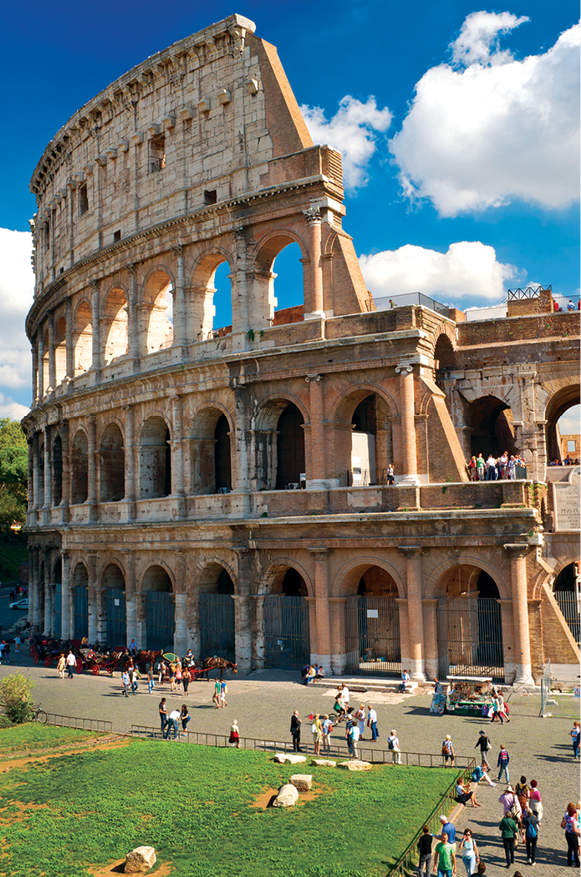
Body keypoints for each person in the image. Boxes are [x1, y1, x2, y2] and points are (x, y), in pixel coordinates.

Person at [562, 802, 581, 867]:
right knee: (575, 850)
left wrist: (567, 827)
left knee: (570, 848)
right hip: (573, 835)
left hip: (567, 833)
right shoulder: (573, 821)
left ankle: (569, 862)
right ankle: (577, 863)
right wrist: (580, 833)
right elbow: (575, 830)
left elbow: (563, 825)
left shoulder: (566, 817)